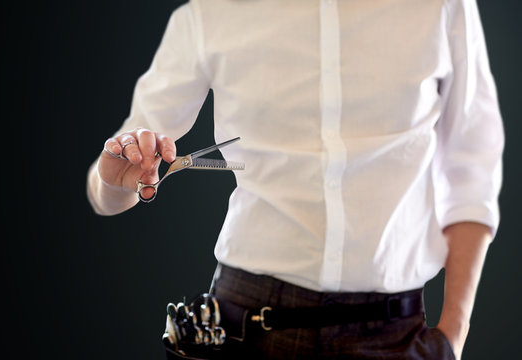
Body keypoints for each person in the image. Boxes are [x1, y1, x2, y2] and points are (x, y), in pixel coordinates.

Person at [86, 0, 503, 359]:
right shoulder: (211, 13)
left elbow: (473, 170)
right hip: (246, 327)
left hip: (396, 333)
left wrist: (452, 338)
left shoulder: (439, 7)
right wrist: (113, 180)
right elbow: (110, 189)